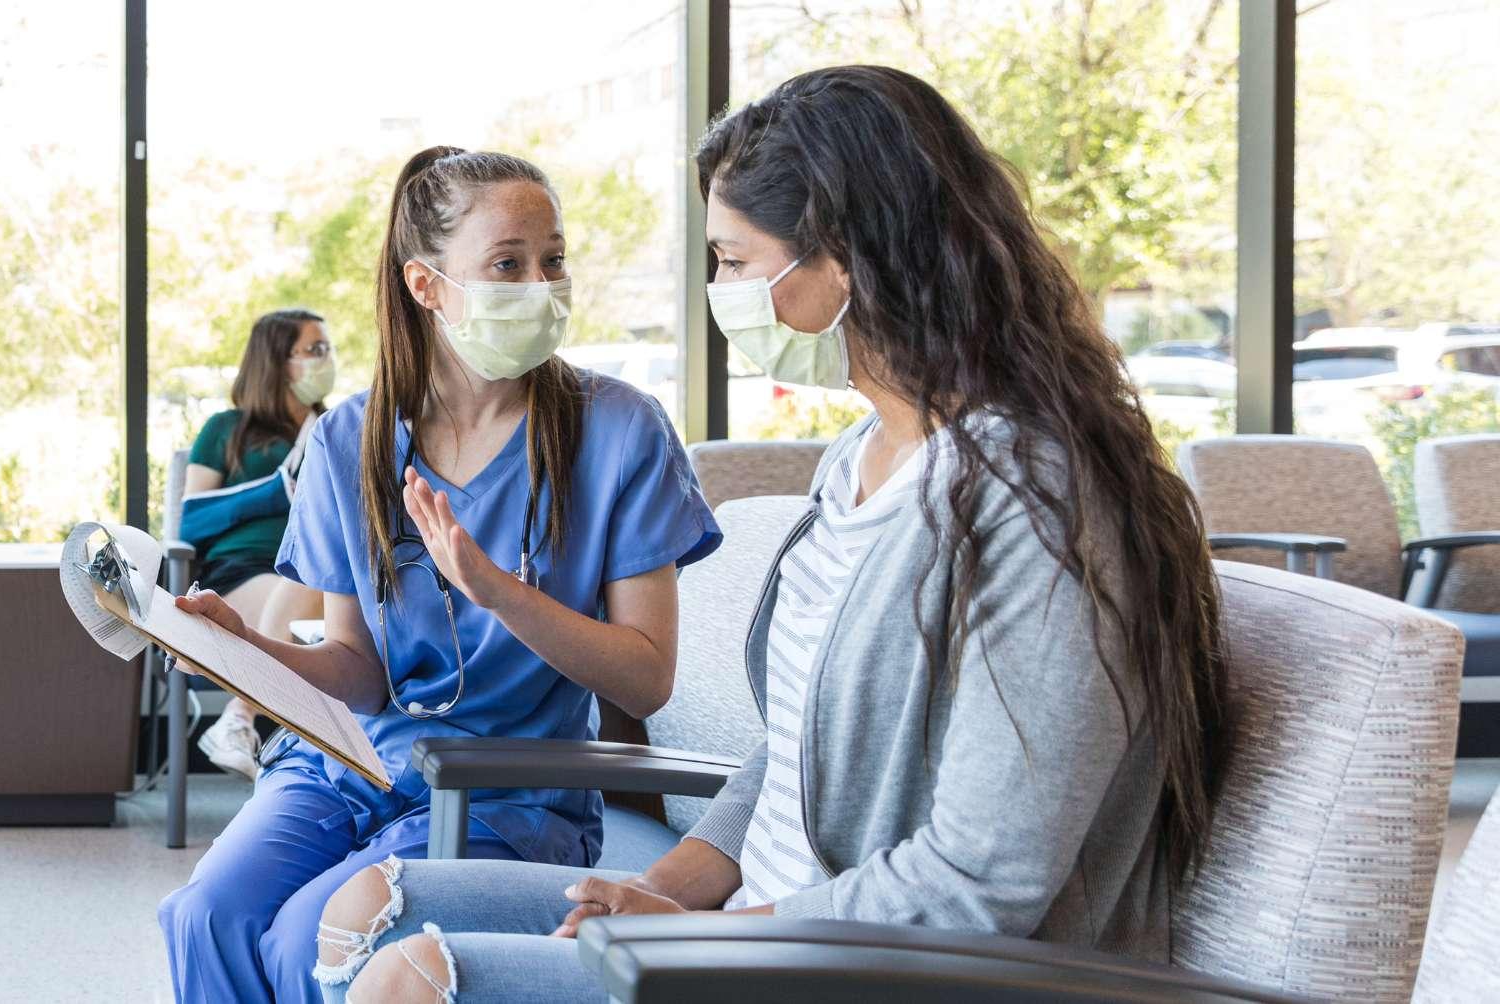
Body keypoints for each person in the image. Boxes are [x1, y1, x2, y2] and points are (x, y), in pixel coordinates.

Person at [312, 65, 1229, 1004]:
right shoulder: (860, 460)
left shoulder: (1037, 504)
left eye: (737, 261)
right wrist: (662, 890)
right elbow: (797, 748)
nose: (724, 294)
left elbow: (982, 882)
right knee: (367, 907)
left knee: (411, 979)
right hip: (768, 921)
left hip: (887, 967)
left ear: (850, 257)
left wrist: (710, 938)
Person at [156, 146, 721, 1003]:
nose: (541, 284)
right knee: (205, 916)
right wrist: (247, 650)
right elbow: (357, 670)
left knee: (304, 941)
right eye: (508, 264)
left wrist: (500, 591)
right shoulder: (350, 438)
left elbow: (645, 680)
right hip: (352, 770)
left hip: (509, 792)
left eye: (554, 260)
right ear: (427, 286)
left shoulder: (620, 430)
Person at [185, 308, 338, 779]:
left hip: (321, 573)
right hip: (240, 573)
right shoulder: (226, 429)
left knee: (316, 576)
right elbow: (191, 519)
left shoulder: (337, 428)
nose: (326, 360)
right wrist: (280, 486)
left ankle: (247, 722)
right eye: (314, 350)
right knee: (298, 584)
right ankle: (246, 717)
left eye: (328, 349)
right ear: (276, 360)